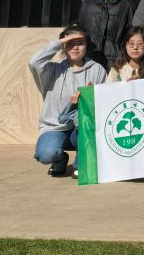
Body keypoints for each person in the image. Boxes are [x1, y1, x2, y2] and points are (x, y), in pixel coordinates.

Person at [29, 24, 107, 178]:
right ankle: (59, 160)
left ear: (87, 46)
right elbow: (33, 62)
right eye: (70, 43)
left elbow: (103, 100)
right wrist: (60, 42)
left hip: (83, 128)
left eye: (80, 43)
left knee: (92, 134)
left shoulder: (97, 69)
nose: (75, 47)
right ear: (63, 46)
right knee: (46, 154)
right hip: (55, 128)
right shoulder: (51, 70)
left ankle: (80, 164)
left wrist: (84, 103)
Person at [79, 0, 134, 69]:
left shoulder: (126, 4)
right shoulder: (88, 2)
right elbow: (80, 26)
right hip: (89, 58)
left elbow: (132, 32)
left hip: (116, 60)